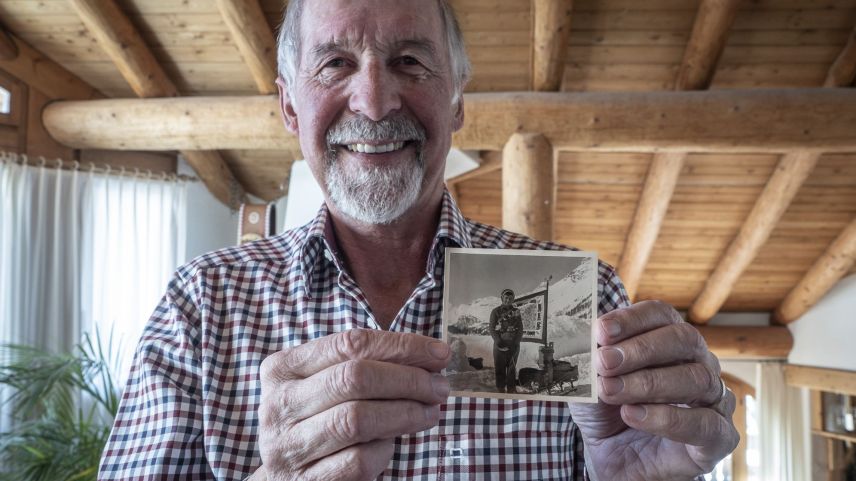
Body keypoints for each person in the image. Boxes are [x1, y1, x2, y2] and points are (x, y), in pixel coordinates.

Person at [98, 0, 739, 480]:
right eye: (335, 63)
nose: (375, 102)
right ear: (290, 106)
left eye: (410, 61)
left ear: (457, 99)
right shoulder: (203, 305)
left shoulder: (582, 296)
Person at [488, 289, 523, 393]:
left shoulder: (516, 312)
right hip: (500, 344)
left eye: (510, 298)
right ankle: (501, 389)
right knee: (500, 368)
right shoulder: (495, 311)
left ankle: (511, 389)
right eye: (506, 298)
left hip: (514, 344)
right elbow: (492, 328)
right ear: (502, 298)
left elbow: (520, 328)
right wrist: (498, 341)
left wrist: (516, 342)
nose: (508, 300)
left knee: (512, 368)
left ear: (513, 299)